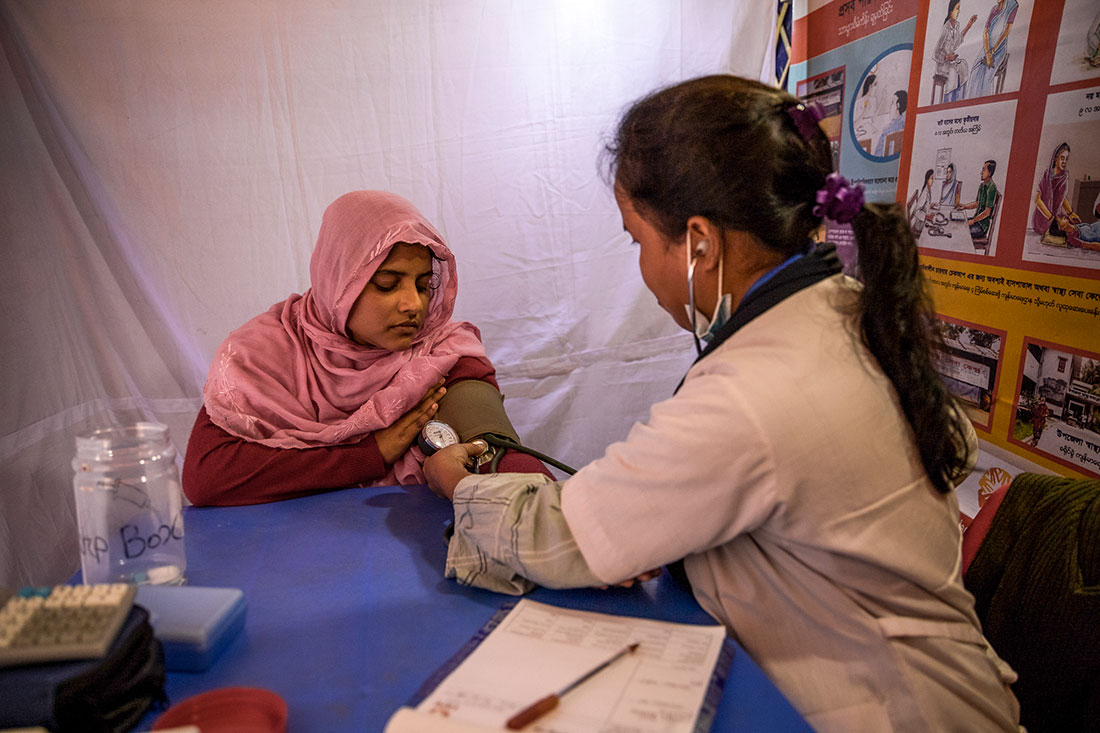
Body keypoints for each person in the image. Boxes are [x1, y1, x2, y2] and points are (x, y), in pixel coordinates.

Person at [423, 75, 1020, 731]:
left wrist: (457, 483)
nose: (642, 267)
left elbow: (574, 535)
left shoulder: (761, 387)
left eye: (636, 240)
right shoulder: (839, 308)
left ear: (700, 243)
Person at [182, 190, 547, 506]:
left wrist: (551, 513)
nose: (414, 305)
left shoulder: (442, 353)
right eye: (388, 284)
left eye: (423, 285)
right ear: (339, 282)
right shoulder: (261, 356)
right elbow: (208, 478)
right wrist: (369, 455)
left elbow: (497, 454)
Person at [967, 0, 1018, 99]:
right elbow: (986, 32)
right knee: (975, 72)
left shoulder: (1012, 6)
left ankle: (984, 104)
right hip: (987, 48)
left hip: (999, 49)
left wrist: (993, 51)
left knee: (987, 75)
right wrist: (987, 53)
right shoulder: (994, 10)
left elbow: (1006, 31)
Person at [1031, 142, 1081, 239]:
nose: (1064, 161)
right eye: (1062, 158)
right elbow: (1037, 200)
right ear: (1055, 159)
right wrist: (1052, 219)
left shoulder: (1064, 176)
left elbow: (1062, 198)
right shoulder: (1046, 176)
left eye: (1066, 159)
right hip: (1042, 219)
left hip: (1057, 218)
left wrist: (1070, 213)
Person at [933, 0, 978, 102]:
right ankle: (948, 101)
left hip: (951, 61)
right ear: (951, 10)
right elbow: (935, 53)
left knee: (964, 65)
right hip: (942, 65)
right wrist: (946, 57)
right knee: (953, 71)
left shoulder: (956, 25)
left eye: (959, 9)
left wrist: (969, 25)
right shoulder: (945, 28)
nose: (958, 11)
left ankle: (959, 99)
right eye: (957, 9)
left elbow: (956, 43)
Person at [960, 159, 998, 240]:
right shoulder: (982, 186)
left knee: (961, 231)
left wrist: (973, 221)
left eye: (984, 170)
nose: (981, 172)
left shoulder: (991, 188)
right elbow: (977, 203)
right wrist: (965, 206)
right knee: (959, 224)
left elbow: (987, 213)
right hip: (976, 221)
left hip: (981, 226)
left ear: (989, 173)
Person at [873, 90, 906, 156]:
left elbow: (877, 154)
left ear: (898, 105)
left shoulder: (887, 130)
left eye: (892, 103)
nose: (890, 106)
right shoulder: (904, 122)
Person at [906, 168, 935, 237]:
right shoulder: (925, 193)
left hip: (924, 220)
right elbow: (916, 211)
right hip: (920, 224)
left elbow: (925, 205)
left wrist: (930, 205)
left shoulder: (928, 189)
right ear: (927, 179)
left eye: (933, 178)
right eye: (931, 178)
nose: (932, 181)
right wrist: (927, 216)